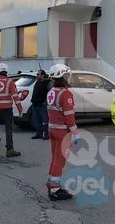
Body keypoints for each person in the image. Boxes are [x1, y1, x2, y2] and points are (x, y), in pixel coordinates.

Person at [46, 64, 81, 201]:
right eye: (67, 76)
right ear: (64, 77)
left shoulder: (51, 91)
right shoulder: (65, 93)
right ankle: (55, 190)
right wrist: (75, 133)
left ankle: (51, 184)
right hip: (62, 132)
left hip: (52, 129)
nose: (69, 78)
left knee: (55, 159)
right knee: (60, 160)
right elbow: (69, 116)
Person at [30, 69, 50, 140]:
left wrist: (45, 102)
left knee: (45, 120)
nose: (37, 75)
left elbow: (50, 93)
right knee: (37, 120)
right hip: (35, 104)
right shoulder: (37, 82)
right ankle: (39, 134)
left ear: (43, 75)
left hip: (42, 105)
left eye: (38, 74)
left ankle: (46, 134)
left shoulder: (47, 83)